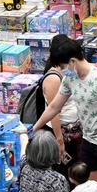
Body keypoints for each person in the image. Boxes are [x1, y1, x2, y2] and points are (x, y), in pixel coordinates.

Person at [32, 38, 97, 180]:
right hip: (88, 139)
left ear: (72, 61)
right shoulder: (70, 78)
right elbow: (54, 107)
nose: (62, 71)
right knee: (91, 185)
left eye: (62, 67)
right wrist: (33, 129)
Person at [38, 35, 81, 166]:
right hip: (61, 132)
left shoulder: (68, 70)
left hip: (73, 130)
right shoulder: (53, 78)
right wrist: (60, 141)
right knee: (64, 168)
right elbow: (54, 111)